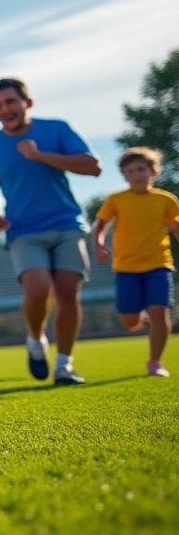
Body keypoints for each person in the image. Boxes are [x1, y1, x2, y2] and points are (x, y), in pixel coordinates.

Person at [0, 78, 100, 385]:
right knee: (37, 290)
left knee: (67, 294)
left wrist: (41, 155)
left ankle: (64, 365)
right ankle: (35, 339)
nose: (4, 109)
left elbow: (92, 166)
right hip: (23, 230)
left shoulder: (56, 129)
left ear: (27, 103)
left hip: (67, 224)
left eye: (10, 101)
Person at [91, 147, 179, 377]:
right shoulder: (116, 200)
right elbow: (100, 225)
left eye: (141, 169)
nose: (136, 174)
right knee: (129, 321)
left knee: (160, 312)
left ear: (153, 171)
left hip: (159, 264)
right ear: (124, 175)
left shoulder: (166, 200)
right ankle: (142, 317)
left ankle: (155, 362)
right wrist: (99, 245)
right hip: (126, 268)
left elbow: (175, 225)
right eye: (130, 171)